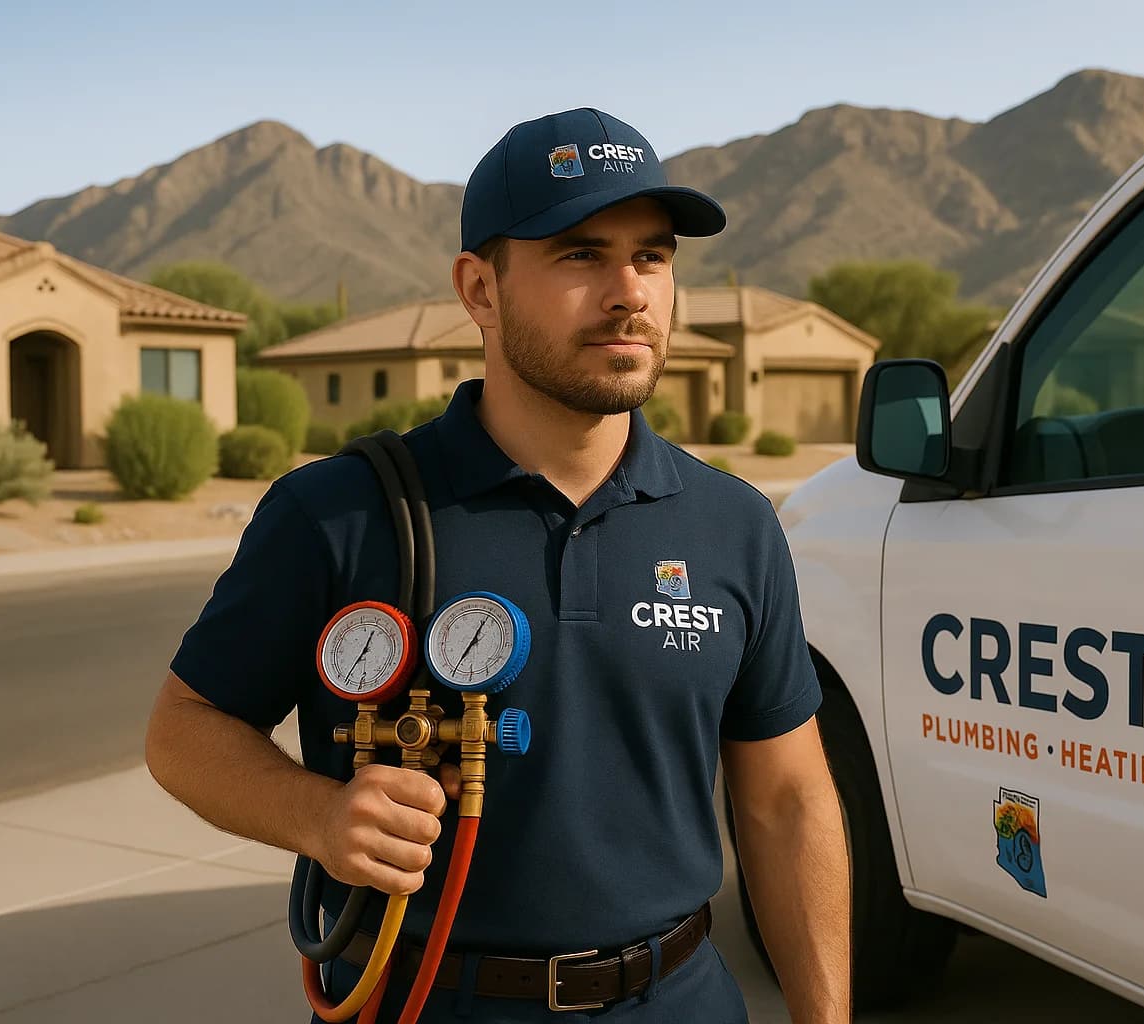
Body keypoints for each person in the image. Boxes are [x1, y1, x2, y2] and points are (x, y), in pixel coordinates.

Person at [144, 107, 851, 1023]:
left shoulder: (734, 524)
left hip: (681, 996)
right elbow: (184, 729)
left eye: (654, 255)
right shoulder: (341, 512)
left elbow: (789, 802)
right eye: (579, 254)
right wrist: (319, 817)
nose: (630, 291)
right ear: (479, 289)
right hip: (427, 1001)